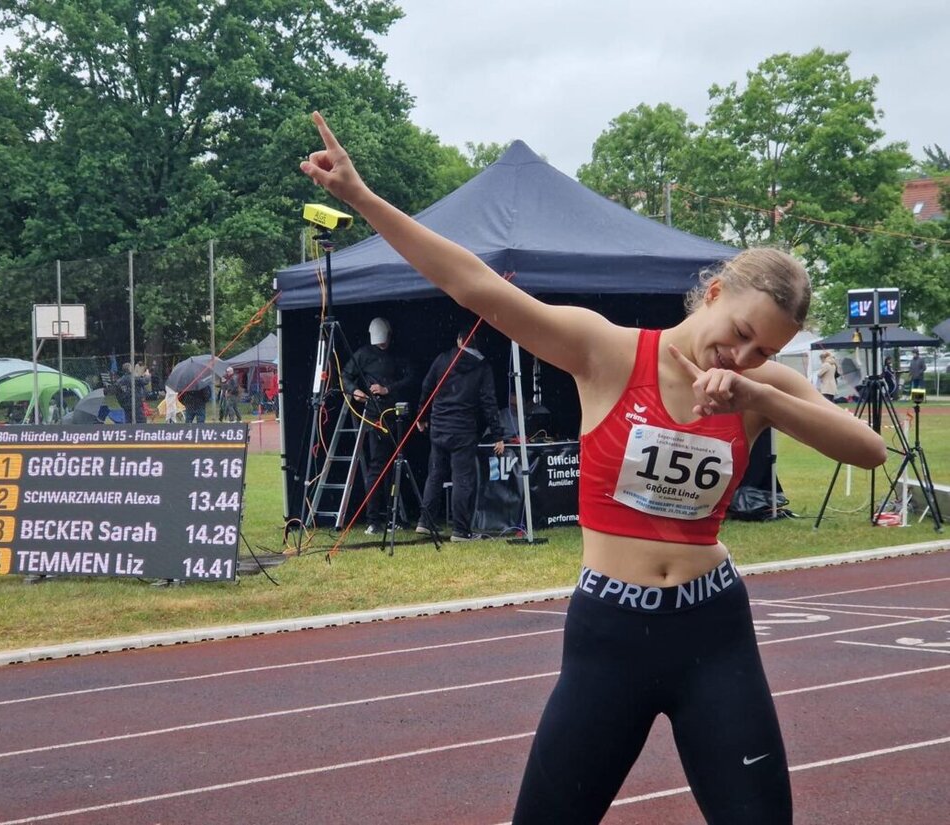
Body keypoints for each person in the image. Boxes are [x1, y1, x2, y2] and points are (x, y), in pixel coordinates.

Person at [301, 111, 887, 824]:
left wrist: (758, 392)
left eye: (763, 350)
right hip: (613, 632)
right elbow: (476, 286)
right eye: (739, 334)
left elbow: (868, 449)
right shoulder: (607, 352)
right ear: (712, 294)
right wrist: (361, 196)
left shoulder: (757, 389)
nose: (741, 357)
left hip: (713, 630)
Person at [415, 329, 505, 541]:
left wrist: (421, 415)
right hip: (463, 431)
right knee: (462, 480)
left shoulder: (442, 359)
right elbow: (489, 403)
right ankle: (460, 530)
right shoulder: (482, 367)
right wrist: (497, 434)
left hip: (438, 427)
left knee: (435, 475)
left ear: (459, 340)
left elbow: (427, 387)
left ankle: (425, 522)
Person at [341, 316, 414, 534]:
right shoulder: (363, 354)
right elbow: (345, 375)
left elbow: (412, 377)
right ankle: (374, 519)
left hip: (395, 416)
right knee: (377, 467)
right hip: (375, 417)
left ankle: (393, 516)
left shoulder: (398, 355)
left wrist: (388, 389)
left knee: (395, 466)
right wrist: (355, 391)